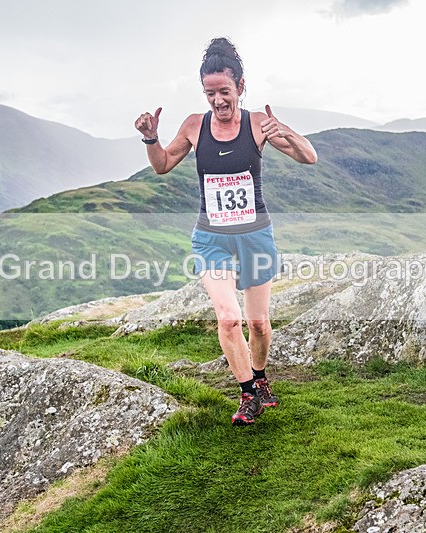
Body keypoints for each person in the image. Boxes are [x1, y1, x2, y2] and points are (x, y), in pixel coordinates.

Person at [134, 37, 317, 425]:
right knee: (229, 319)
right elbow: (162, 165)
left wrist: (284, 130)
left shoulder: (257, 124)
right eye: (210, 93)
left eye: (224, 92)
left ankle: (260, 376)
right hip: (211, 237)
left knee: (258, 324)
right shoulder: (194, 126)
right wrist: (151, 138)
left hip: (255, 235)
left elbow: (309, 157)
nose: (217, 101)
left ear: (240, 86)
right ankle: (248, 394)